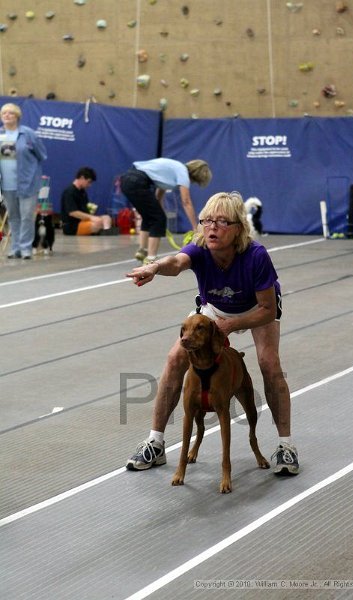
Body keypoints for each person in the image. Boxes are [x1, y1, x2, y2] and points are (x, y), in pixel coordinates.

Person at [125, 191, 299, 476]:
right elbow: (177, 263)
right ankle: (155, 442)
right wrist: (155, 267)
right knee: (174, 359)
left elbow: (268, 310)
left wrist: (230, 326)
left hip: (255, 308)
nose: (212, 228)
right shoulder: (200, 248)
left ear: (238, 228)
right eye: (207, 221)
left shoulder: (256, 256)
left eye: (221, 222)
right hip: (214, 307)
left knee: (269, 364)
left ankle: (286, 446)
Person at [120, 158, 212, 264]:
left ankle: (142, 250)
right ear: (196, 176)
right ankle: (151, 259)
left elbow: (159, 193)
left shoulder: (174, 169)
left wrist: (158, 210)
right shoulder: (183, 173)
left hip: (127, 179)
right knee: (158, 219)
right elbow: (186, 201)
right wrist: (195, 226)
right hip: (137, 182)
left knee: (149, 216)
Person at [0, 102, 47, 259]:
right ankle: (15, 248)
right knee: (13, 216)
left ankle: (26, 247)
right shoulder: (0, 134)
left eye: (10, 113)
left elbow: (42, 155)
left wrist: (31, 172)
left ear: (17, 117)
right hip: (7, 184)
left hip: (27, 183)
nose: (7, 116)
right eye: (4, 113)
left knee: (26, 215)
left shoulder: (28, 134)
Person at [61, 167, 111, 235]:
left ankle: (106, 232)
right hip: (72, 226)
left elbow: (85, 210)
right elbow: (73, 212)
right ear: (82, 178)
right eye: (89, 182)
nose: (89, 185)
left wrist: (91, 213)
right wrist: (92, 217)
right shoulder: (69, 192)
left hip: (83, 221)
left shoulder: (83, 192)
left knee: (106, 218)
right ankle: (101, 230)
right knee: (96, 224)